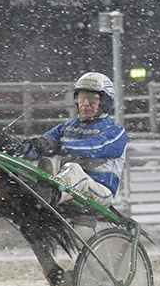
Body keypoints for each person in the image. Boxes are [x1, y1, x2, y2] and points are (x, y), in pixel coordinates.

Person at [21, 71, 128, 206]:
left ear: (105, 103)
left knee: (74, 169)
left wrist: (57, 146)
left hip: (99, 192)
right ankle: (36, 191)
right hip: (70, 190)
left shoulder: (115, 131)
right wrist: (22, 147)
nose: (85, 104)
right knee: (29, 168)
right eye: (82, 98)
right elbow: (44, 143)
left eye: (92, 99)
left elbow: (93, 147)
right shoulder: (66, 127)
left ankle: (51, 194)